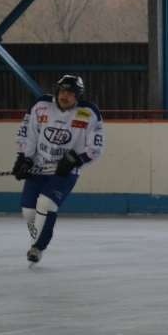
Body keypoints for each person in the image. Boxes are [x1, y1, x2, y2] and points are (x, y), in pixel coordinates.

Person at [13, 74, 105, 264]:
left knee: (46, 205)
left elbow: (96, 148)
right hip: (38, 167)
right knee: (29, 211)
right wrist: (24, 159)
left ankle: (37, 247)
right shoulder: (42, 105)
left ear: (78, 96)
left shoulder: (89, 113)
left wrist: (76, 160)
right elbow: (28, 132)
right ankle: (37, 239)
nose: (65, 96)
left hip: (65, 172)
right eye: (63, 91)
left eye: (71, 93)